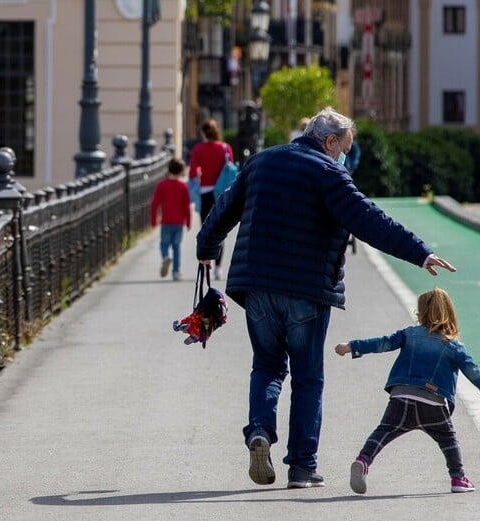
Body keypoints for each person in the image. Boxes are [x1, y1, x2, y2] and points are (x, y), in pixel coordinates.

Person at [195, 106, 456, 489]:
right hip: (306, 289)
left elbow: (225, 207)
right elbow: (368, 219)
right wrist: (419, 252)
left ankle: (260, 432)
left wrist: (207, 246)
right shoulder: (328, 172)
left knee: (266, 367)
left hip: (257, 287)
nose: (344, 156)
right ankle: (301, 468)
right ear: (330, 141)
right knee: (307, 378)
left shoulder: (262, 161)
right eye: (344, 148)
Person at [335, 287, 480, 495]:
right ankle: (458, 479)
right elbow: (473, 371)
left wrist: (352, 346)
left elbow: (383, 343)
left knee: (383, 431)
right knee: (449, 441)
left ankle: (363, 460)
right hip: (433, 402)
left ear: (420, 314)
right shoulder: (453, 346)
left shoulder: (409, 334)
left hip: (402, 396)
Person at [189, 119, 234, 280]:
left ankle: (206, 263)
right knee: (221, 230)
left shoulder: (198, 149)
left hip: (206, 192)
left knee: (207, 229)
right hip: (222, 192)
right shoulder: (225, 148)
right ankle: (219, 268)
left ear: (203, 132)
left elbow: (193, 172)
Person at [150, 157, 191, 281]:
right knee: (177, 247)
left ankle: (165, 257)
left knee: (164, 244)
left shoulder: (162, 185)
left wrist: (154, 219)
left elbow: (155, 204)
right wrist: (188, 221)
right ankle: (176, 271)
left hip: (166, 221)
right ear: (181, 171)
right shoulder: (183, 186)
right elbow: (186, 205)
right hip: (179, 222)